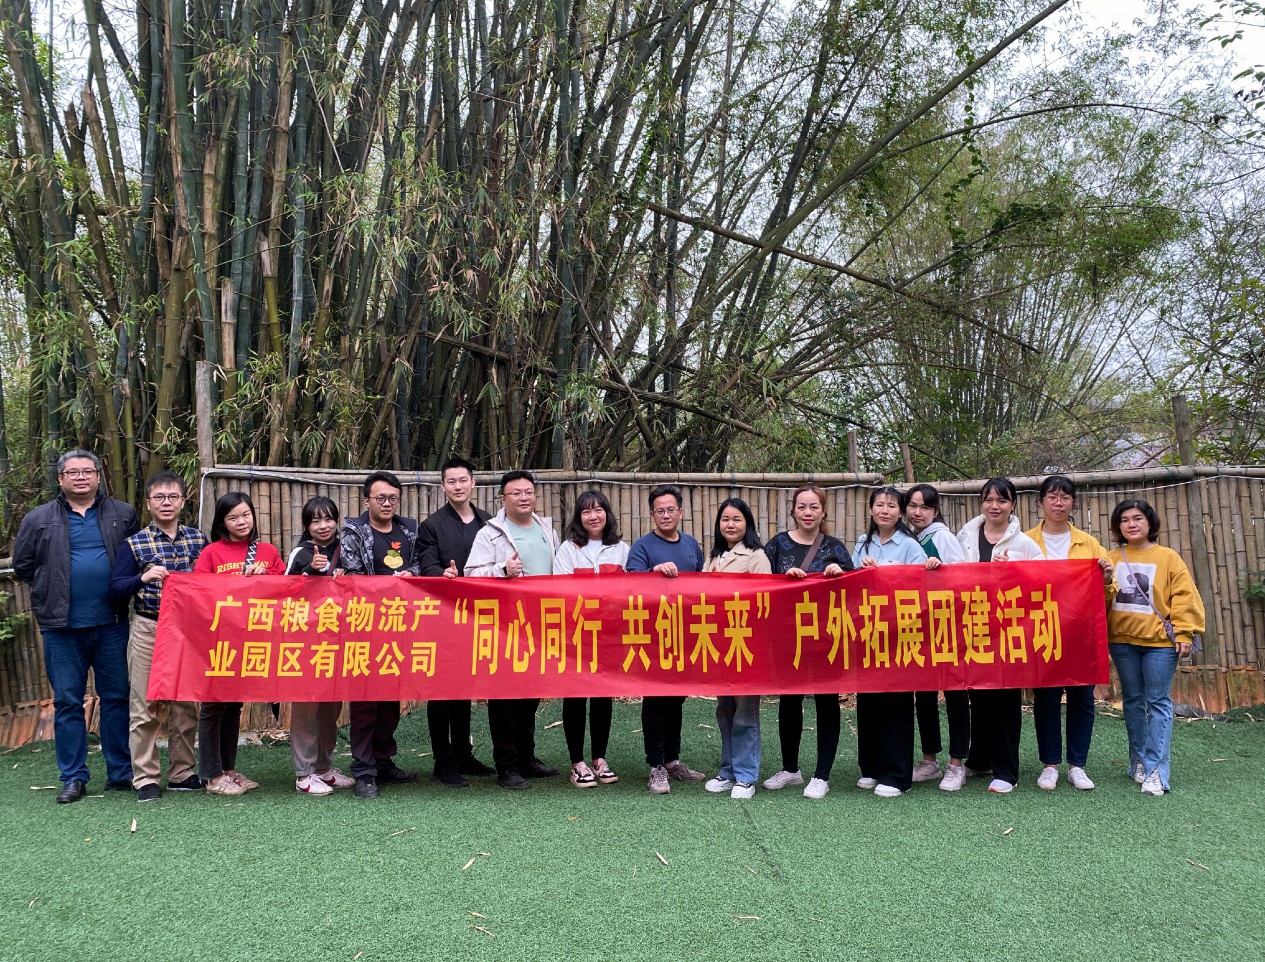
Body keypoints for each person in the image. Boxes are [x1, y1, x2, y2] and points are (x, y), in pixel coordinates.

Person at [13, 450, 139, 803]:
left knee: (116, 698)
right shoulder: (38, 518)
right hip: (61, 626)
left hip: (111, 622)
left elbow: (135, 557)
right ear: (60, 479)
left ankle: (121, 771)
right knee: (68, 701)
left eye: (87, 471)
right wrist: (49, 588)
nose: (80, 477)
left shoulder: (122, 513)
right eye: (72, 472)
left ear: (99, 476)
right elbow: (24, 565)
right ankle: (73, 776)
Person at [107, 471, 206, 802]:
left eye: (173, 497)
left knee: (187, 703)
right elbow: (115, 589)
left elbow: (213, 584)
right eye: (159, 498)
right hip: (150, 625)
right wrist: (142, 578)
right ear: (148, 504)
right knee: (145, 704)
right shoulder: (134, 544)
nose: (167, 503)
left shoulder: (198, 539)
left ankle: (182, 772)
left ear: (183, 501)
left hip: (189, 629)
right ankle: (145, 777)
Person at [467, 470, 562, 790]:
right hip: (504, 627)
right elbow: (472, 575)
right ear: (503, 499)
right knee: (505, 696)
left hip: (539, 624)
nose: (524, 497)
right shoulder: (490, 534)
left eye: (529, 492)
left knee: (531, 693)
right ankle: (506, 765)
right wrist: (502, 571)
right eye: (516, 492)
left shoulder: (546, 529)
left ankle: (526, 757)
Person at [1107, 499, 1205, 797]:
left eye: (1138, 518)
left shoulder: (1168, 557)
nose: (1131, 524)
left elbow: (1184, 596)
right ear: (1118, 526)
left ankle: (1156, 771)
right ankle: (1138, 760)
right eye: (1125, 520)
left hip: (1160, 644)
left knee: (1158, 702)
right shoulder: (1110, 557)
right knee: (1133, 701)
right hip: (1122, 641)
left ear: (1150, 523)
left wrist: (1185, 632)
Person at [1026, 475, 1117, 792]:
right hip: (1042, 631)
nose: (1058, 502)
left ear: (1073, 502)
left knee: (1081, 698)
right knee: (1046, 698)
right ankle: (1049, 765)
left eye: (1065, 497)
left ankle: (1078, 765)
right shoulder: (1025, 542)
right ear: (1040, 503)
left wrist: (1105, 580)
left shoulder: (1089, 544)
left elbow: (1108, 593)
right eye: (1052, 497)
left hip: (1080, 634)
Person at [761, 484, 853, 799]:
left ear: (823, 511)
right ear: (793, 511)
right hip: (788, 635)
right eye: (802, 507)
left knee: (827, 702)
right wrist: (783, 581)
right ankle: (790, 769)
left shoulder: (835, 548)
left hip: (827, 637)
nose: (808, 513)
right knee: (789, 700)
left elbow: (857, 591)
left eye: (814, 507)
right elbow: (759, 584)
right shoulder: (776, 546)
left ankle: (822, 775)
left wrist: (838, 573)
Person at [956, 477, 1044, 794]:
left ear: (1013, 505)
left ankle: (1006, 771)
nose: (995, 506)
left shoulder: (1024, 544)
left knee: (1005, 699)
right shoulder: (964, 536)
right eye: (989, 499)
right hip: (973, 628)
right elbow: (953, 577)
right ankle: (980, 760)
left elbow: (1042, 583)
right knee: (977, 695)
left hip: (1009, 632)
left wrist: (1013, 572)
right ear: (982, 502)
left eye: (1002, 500)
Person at [194, 492, 284, 795]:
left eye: (245, 514)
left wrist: (266, 574)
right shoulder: (211, 554)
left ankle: (229, 770)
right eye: (233, 517)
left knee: (233, 705)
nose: (241, 521)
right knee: (213, 705)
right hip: (219, 640)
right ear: (222, 522)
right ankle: (211, 775)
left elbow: (287, 590)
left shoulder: (268, 552)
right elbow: (197, 592)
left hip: (252, 639)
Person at [339, 471, 422, 798]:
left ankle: (383, 759)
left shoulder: (409, 530)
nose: (387, 504)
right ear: (367, 500)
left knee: (390, 699)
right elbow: (355, 576)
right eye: (380, 498)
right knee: (364, 701)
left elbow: (421, 565)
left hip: (400, 625)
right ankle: (363, 770)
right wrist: (389, 585)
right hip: (364, 626)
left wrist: (409, 573)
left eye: (392, 498)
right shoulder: (354, 532)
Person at [416, 457, 496, 788]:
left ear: (473, 483)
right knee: (441, 688)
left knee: (465, 687)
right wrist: (442, 574)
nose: (458, 486)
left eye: (463, 480)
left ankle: (463, 753)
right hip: (443, 615)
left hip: (479, 616)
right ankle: (442, 760)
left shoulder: (490, 523)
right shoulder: (432, 525)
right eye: (451, 481)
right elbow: (425, 565)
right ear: (443, 487)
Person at [626, 484, 708, 795]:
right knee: (656, 698)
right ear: (651, 514)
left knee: (677, 698)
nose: (665, 515)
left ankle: (673, 760)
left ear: (681, 512)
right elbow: (628, 586)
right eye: (659, 511)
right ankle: (655, 765)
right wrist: (653, 572)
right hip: (653, 635)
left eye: (670, 509)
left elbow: (702, 583)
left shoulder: (691, 544)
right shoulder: (642, 547)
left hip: (684, 633)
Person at [851, 486, 931, 799]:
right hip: (869, 632)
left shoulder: (910, 546)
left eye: (892, 505)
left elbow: (922, 584)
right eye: (879, 505)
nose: (885, 510)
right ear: (871, 510)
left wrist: (883, 574)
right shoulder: (862, 542)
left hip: (901, 633)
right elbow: (852, 586)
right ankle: (870, 767)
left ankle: (897, 774)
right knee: (869, 701)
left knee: (896, 703)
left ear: (901, 512)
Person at [553, 489, 629, 788]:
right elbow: (561, 591)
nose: (593, 516)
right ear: (578, 518)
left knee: (602, 696)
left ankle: (599, 758)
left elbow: (631, 590)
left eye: (598, 510)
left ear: (607, 514)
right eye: (586, 511)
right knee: (574, 695)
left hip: (609, 635)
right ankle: (577, 762)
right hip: (576, 635)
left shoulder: (622, 549)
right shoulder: (568, 550)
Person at [285, 496, 356, 797]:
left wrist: (346, 577)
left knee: (331, 706)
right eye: (315, 520)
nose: (323, 526)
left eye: (328, 519)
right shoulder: (301, 553)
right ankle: (303, 773)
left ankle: (324, 768)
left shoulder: (347, 550)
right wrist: (312, 573)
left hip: (339, 641)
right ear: (306, 525)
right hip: (306, 643)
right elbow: (282, 592)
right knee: (306, 706)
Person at [701, 498, 771, 800]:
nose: (730, 525)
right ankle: (728, 770)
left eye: (737, 519)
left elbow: (765, 599)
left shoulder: (756, 556)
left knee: (745, 711)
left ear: (748, 524)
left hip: (746, 643)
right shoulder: (714, 556)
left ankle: (746, 775)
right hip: (718, 643)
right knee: (724, 709)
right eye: (725, 519)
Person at [905, 483, 971, 792]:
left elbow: (961, 575)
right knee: (924, 694)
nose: (918, 512)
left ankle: (957, 763)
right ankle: (929, 759)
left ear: (935, 511)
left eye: (925, 507)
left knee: (956, 693)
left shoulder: (942, 537)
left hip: (948, 624)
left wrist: (940, 569)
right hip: (919, 626)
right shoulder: (907, 538)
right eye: (913, 506)